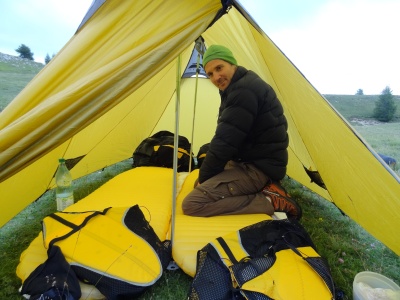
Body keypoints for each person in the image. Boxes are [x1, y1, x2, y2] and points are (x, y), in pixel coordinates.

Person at [182, 45, 301, 219]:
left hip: (258, 168)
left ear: (232, 64)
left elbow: (224, 141)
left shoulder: (244, 90)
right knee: (199, 184)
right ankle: (266, 188)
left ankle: (270, 200)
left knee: (193, 204)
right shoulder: (237, 85)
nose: (216, 77)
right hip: (249, 159)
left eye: (219, 68)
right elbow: (230, 136)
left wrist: (206, 176)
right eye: (210, 74)